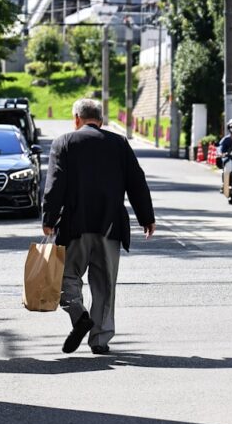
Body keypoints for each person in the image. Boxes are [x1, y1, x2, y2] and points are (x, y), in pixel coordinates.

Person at [42, 98, 155, 355]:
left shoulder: (64, 143)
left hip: (74, 227)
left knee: (65, 278)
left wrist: (48, 219)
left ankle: (80, 315)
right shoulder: (119, 143)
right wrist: (146, 217)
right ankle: (100, 339)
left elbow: (55, 184)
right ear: (101, 121)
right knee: (104, 284)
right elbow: (137, 182)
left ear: (76, 119)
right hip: (110, 226)